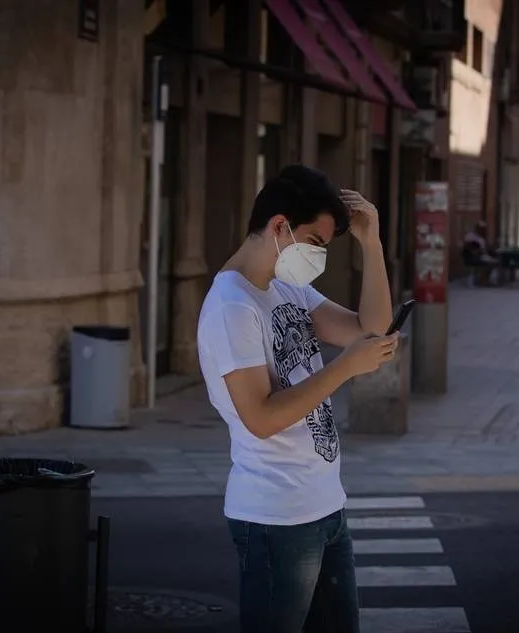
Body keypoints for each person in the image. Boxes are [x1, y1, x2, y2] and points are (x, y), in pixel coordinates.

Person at [196, 164, 396, 633]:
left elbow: (370, 327)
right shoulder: (232, 306)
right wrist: (346, 367)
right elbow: (260, 418)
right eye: (316, 243)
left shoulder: (285, 287)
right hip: (275, 518)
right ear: (280, 226)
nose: (318, 256)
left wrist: (372, 243)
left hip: (325, 506)